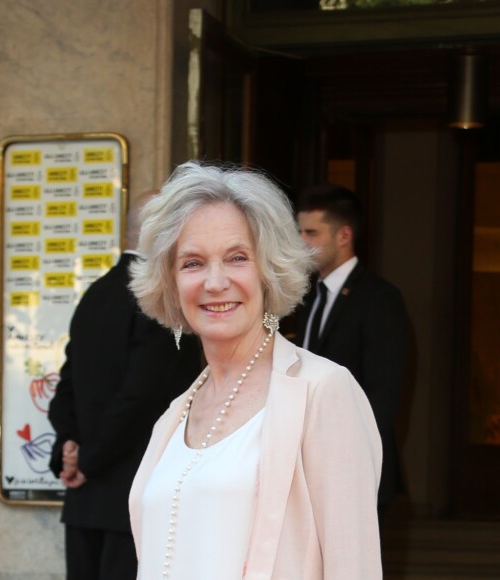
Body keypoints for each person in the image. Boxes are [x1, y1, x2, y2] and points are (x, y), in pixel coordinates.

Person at [128, 161, 383, 579]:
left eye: (237, 258)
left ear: (268, 270)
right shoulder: (173, 417)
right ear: (170, 282)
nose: (215, 282)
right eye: (192, 263)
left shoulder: (322, 392)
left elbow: (352, 566)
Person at [47, 191, 201, 580]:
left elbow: (67, 384)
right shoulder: (158, 300)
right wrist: (87, 460)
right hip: (133, 495)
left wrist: (69, 444)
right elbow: (141, 397)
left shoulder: (95, 295)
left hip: (85, 501)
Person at [295, 183, 409, 523]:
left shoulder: (379, 299)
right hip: (307, 469)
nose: (302, 242)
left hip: (353, 470)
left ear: (344, 235)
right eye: (299, 231)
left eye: (312, 233)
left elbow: (382, 394)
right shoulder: (307, 296)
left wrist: (344, 465)